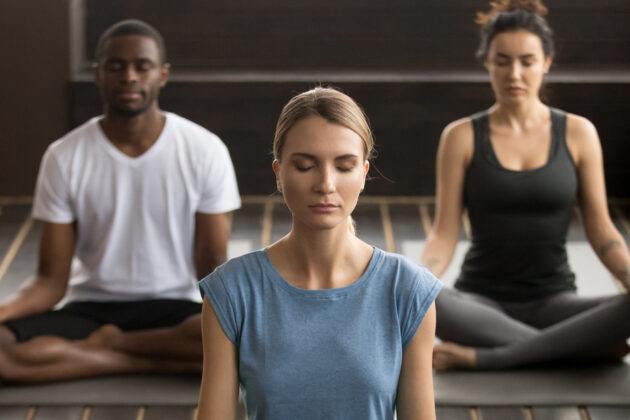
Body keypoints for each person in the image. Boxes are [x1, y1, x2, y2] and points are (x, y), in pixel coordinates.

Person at [0, 19, 241, 383]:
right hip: (92, 309)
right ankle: (136, 359)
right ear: (98, 74)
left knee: (238, 344)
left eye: (141, 67)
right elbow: (50, 281)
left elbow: (212, 268)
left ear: (161, 75)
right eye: (116, 66)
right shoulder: (63, 156)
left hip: (173, 309)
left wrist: (241, 324)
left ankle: (95, 354)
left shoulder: (204, 150)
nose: (129, 76)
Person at [196, 87, 442, 419]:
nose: (326, 184)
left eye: (344, 166)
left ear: (364, 174)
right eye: (305, 166)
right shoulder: (232, 291)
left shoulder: (407, 290)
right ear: (278, 173)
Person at [421, 0, 630, 371]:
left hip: (556, 304)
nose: (514, 73)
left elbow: (602, 231)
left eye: (527, 61)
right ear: (487, 62)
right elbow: (442, 234)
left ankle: (491, 357)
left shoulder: (579, 133)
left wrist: (628, 275)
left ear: (546, 63)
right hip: (480, 304)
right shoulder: (461, 136)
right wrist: (419, 283)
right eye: (502, 61)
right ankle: (577, 349)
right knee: (427, 298)